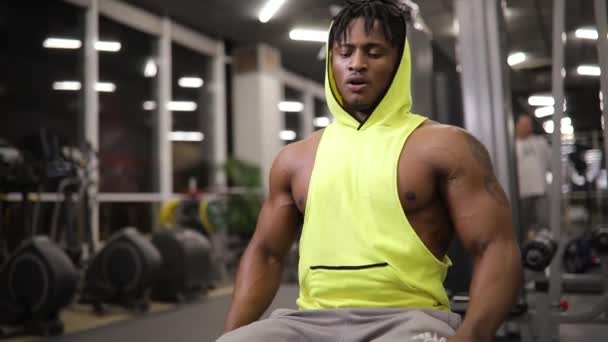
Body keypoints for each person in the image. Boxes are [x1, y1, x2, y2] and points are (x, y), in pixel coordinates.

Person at [218, 1, 522, 341]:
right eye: (345, 53)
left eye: (374, 53)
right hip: (311, 322)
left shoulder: (446, 147)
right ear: (332, 61)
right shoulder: (296, 159)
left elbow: (495, 247)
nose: (357, 64)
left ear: (398, 63)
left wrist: (470, 337)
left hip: (408, 320)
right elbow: (267, 254)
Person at [515, 114, 551, 239]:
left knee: (543, 223)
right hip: (521, 192)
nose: (528, 128)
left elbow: (550, 162)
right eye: (524, 125)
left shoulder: (540, 142)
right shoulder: (512, 145)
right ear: (517, 125)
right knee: (523, 224)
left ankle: (545, 247)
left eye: (529, 125)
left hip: (540, 190)